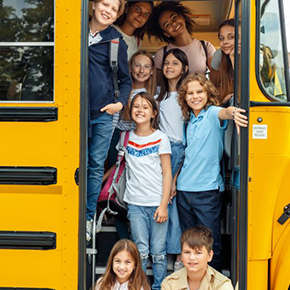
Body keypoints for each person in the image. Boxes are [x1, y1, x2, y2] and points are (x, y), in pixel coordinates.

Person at [176, 73, 248, 269]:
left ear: (208, 93)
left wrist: (234, 113)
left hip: (207, 192)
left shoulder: (211, 113)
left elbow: (225, 112)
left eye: (199, 91)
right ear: (184, 97)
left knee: (210, 246)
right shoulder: (188, 121)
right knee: (190, 245)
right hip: (184, 190)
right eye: (190, 93)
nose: (195, 96)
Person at [86, 0, 132, 242]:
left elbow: (126, 80)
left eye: (114, 9)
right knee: (78, 164)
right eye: (105, 4)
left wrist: (119, 104)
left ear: (116, 17)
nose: (108, 11)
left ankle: (87, 217)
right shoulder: (76, 30)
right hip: (77, 114)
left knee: (95, 166)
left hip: (103, 114)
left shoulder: (116, 42)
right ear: (93, 5)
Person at [119, 92, 172, 290]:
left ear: (153, 113)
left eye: (145, 107)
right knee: (140, 251)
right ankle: (141, 286)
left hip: (157, 203)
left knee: (158, 252)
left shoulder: (161, 138)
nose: (140, 110)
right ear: (130, 111)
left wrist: (163, 205)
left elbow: (167, 173)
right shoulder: (126, 138)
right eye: (136, 106)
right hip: (135, 203)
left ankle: (158, 286)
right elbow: (119, 167)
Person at [108, 50, 157, 240]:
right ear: (130, 67)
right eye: (137, 65)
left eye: (146, 66)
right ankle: (124, 240)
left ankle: (144, 240)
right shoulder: (121, 91)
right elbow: (114, 120)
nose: (141, 70)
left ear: (152, 71)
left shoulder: (156, 93)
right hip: (121, 139)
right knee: (119, 188)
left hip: (147, 142)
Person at [156, 48, 189, 271]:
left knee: (172, 203)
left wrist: (175, 175)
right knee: (162, 201)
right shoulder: (160, 96)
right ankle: (167, 250)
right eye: (166, 63)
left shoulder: (184, 97)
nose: (169, 66)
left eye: (175, 63)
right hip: (160, 151)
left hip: (176, 151)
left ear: (184, 68)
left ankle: (177, 254)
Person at [147, 1, 215, 83]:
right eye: (167, 25)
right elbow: (158, 85)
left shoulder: (206, 46)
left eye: (174, 17)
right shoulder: (161, 54)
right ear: (166, 33)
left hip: (200, 95)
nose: (174, 23)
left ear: (182, 17)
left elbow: (218, 76)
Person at [161, 226, 234, 290]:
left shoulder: (221, 284)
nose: (192, 258)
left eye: (198, 253)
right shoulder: (170, 283)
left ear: (209, 256)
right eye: (187, 252)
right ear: (181, 256)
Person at [210, 19, 235, 105]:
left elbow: (246, 86)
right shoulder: (219, 55)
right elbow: (213, 86)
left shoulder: (256, 54)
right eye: (221, 38)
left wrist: (233, 57)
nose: (225, 42)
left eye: (231, 37)